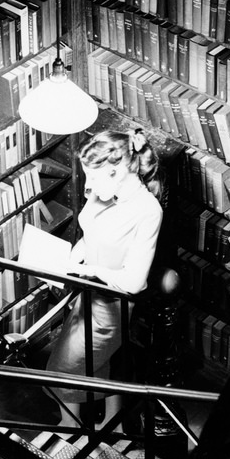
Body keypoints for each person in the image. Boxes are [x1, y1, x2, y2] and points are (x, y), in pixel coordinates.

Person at [45, 127, 164, 412]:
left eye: (94, 177)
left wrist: (90, 270)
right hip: (84, 298)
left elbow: (134, 282)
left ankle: (71, 430)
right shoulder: (103, 190)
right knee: (87, 366)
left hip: (110, 310)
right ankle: (102, 423)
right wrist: (70, 259)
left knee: (63, 369)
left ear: (119, 171)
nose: (90, 184)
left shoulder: (147, 212)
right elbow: (92, 230)